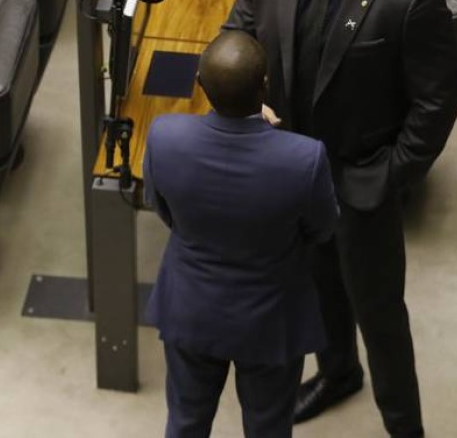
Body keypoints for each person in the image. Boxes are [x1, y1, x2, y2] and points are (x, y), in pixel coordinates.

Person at [224, 0, 457, 436]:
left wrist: (387, 176)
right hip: (292, 175)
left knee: (380, 317)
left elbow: (439, 102)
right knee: (316, 287)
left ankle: (405, 427)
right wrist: (246, 99)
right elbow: (239, 33)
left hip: (360, 182)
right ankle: (337, 375)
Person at [144, 30, 340, 438]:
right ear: (265, 85)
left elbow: (161, 208)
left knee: (185, 422)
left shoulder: (164, 136)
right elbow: (321, 229)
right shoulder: (303, 158)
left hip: (191, 309)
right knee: (268, 428)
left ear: (200, 85)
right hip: (271, 319)